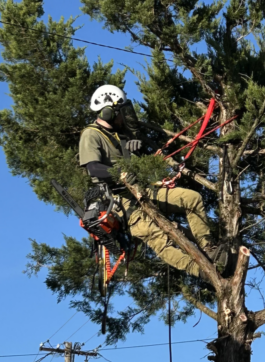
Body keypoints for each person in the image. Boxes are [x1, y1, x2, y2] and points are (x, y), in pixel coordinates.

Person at [78, 84, 226, 277]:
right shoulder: (91, 134)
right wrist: (120, 173)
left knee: (192, 199)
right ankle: (203, 272)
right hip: (122, 203)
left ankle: (209, 249)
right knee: (159, 239)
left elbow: (135, 167)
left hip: (142, 190)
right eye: (121, 112)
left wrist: (132, 152)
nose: (124, 116)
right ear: (108, 113)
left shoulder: (117, 136)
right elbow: (93, 168)